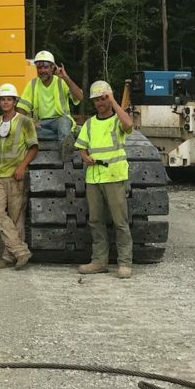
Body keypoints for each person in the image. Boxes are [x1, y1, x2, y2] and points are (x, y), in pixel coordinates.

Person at [74, 80, 134, 279]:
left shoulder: (117, 120)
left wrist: (114, 101)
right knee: (96, 220)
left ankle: (124, 263)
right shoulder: (90, 124)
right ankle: (99, 261)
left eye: (103, 98)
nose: (100, 103)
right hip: (94, 178)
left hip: (114, 176)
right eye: (97, 100)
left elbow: (128, 124)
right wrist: (84, 155)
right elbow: (82, 145)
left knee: (120, 221)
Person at [0, 83, 39, 270]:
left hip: (17, 175)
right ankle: (20, 251)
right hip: (0, 174)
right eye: (2, 99)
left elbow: (33, 147)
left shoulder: (25, 121)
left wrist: (21, 167)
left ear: (14, 101)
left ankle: (9, 256)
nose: (5, 102)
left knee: (16, 217)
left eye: (9, 99)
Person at [16, 50, 82, 145]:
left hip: (60, 120)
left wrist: (66, 77)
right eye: (39, 68)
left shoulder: (61, 82)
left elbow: (79, 97)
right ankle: (65, 136)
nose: (42, 71)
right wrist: (29, 122)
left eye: (46, 67)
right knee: (26, 130)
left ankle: (65, 149)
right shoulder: (32, 84)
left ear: (52, 68)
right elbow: (21, 109)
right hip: (41, 124)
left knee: (63, 124)